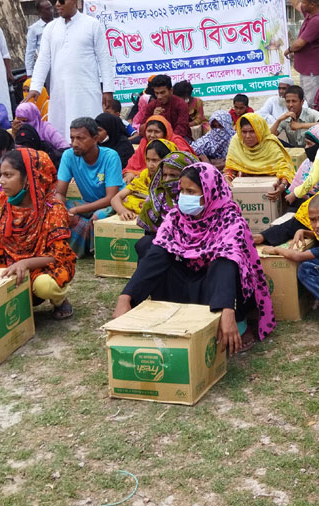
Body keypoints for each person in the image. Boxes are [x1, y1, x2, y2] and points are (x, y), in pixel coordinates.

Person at [113, 163, 276, 355]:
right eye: (182, 190)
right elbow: (158, 253)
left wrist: (227, 309)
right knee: (151, 247)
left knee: (224, 261)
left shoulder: (231, 220)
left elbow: (227, 262)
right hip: (187, 283)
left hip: (221, 291)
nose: (184, 197)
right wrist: (126, 297)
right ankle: (165, 313)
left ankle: (233, 319)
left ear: (209, 192)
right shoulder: (176, 218)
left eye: (191, 191)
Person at [0, 148, 76, 320]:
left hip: (41, 266)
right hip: (9, 262)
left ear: (30, 178)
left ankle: (59, 300)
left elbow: (57, 256)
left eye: (8, 176)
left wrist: (25, 263)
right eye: (1, 175)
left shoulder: (53, 209)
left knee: (45, 285)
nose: (1, 182)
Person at [27, 0, 116, 140]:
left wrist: (108, 89)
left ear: (75, 1)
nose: (57, 5)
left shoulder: (91, 24)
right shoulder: (51, 28)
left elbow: (104, 58)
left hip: (85, 90)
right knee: (61, 133)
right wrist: (35, 87)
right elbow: (43, 59)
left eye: (61, 0)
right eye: (55, 1)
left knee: (89, 132)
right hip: (59, 90)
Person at [262, 194, 319, 331]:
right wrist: (302, 230)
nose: (317, 225)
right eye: (313, 220)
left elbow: (298, 256)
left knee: (306, 269)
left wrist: (276, 249)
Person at [55, 117, 123, 256]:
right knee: (55, 208)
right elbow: (60, 193)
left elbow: (110, 198)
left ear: (95, 139)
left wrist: (76, 209)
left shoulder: (111, 157)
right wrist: (61, 211)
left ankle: (83, 244)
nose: (74, 143)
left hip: (111, 203)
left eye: (80, 138)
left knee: (98, 217)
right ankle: (86, 239)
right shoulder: (68, 155)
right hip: (87, 203)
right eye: (72, 138)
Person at [137, 151, 201, 254]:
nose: (167, 180)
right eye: (165, 175)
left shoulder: (195, 200)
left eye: (173, 175)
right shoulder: (157, 198)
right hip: (161, 252)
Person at [223, 113, 295, 203]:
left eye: (252, 131)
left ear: (260, 131)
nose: (247, 136)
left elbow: (285, 169)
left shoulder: (269, 143)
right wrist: (227, 180)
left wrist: (282, 186)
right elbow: (230, 168)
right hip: (244, 187)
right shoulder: (237, 141)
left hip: (271, 188)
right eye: (244, 132)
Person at [283, 0, 319, 104]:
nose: (302, 5)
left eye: (304, 2)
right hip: (307, 68)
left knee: (310, 101)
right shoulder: (311, 14)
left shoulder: (317, 21)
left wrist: (288, 50)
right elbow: (296, 3)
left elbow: (299, 44)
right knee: (304, 99)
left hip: (313, 69)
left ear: (312, 4)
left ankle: (313, 122)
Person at [112, 139, 175, 221]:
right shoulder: (144, 176)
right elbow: (116, 198)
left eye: (155, 160)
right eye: (148, 160)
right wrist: (124, 211)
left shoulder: (173, 180)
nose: (150, 165)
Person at [123, 114, 193, 182]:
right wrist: (130, 174)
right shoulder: (144, 142)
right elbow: (131, 166)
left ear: (165, 133)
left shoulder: (176, 142)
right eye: (149, 131)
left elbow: (186, 167)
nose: (152, 135)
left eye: (157, 132)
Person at [137, 75, 191, 140]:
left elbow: (181, 128)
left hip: (178, 138)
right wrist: (152, 117)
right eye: (156, 93)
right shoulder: (151, 106)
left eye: (162, 93)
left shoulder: (181, 104)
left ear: (171, 91)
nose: (159, 96)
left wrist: (166, 141)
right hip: (155, 137)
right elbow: (142, 130)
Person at [25, 0, 55, 77]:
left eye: (51, 8)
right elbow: (30, 52)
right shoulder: (34, 29)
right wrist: (29, 73)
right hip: (45, 66)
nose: (51, 11)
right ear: (39, 12)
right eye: (47, 9)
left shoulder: (59, 24)